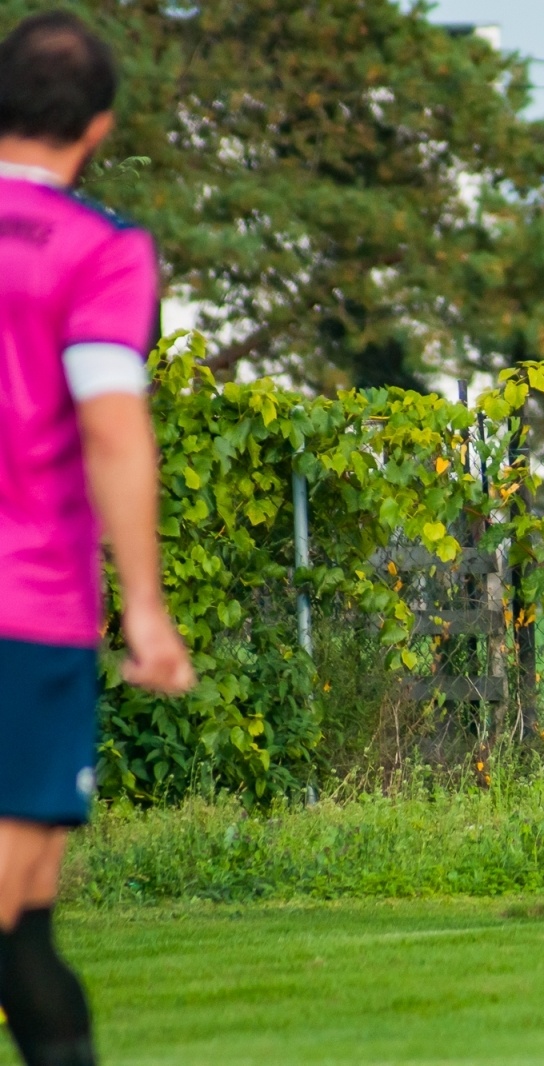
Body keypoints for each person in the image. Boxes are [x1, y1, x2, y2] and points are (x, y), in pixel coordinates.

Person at [0, 11, 196, 1064]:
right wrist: (149, 610)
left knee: (26, 913)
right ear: (100, 126)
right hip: (24, 609)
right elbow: (112, 422)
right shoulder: (99, 248)